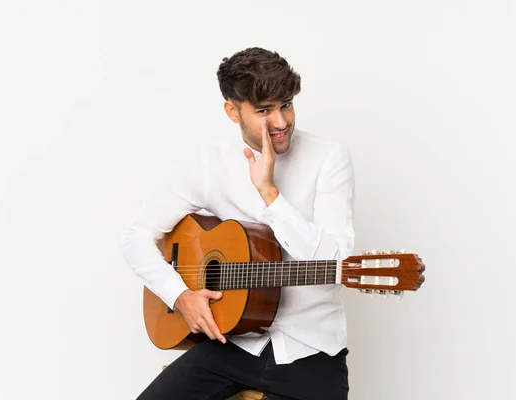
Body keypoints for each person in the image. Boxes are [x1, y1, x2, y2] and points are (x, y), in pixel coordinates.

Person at [120, 47, 355, 400]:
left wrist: (269, 194)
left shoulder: (329, 159)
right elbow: (136, 237)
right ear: (233, 111)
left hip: (312, 351)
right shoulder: (211, 164)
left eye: (286, 105)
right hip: (232, 345)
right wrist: (180, 295)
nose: (280, 122)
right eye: (264, 111)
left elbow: (336, 260)